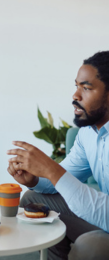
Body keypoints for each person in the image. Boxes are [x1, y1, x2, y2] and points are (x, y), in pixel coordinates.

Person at [7, 51, 109, 260]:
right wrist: (35, 178)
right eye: (77, 86)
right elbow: (60, 180)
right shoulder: (88, 134)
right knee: (32, 199)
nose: (76, 96)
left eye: (87, 88)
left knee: (90, 245)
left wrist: (50, 168)